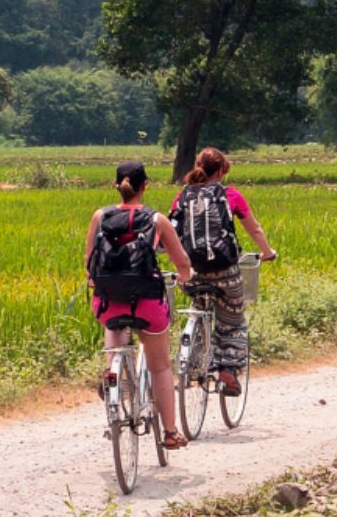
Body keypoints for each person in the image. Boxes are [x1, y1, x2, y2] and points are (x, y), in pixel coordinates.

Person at [85, 161, 194, 449]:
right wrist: (187, 277)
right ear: (145, 185)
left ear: (116, 185)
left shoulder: (99, 216)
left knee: (114, 327)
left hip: (108, 303)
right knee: (159, 366)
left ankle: (113, 376)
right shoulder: (157, 220)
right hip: (146, 302)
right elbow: (181, 262)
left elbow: (89, 266)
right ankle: (170, 432)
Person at [169, 148, 277, 397]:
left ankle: (192, 360)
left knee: (198, 305)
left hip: (192, 274)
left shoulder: (182, 196)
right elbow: (254, 229)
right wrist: (268, 252)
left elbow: (171, 231)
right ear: (220, 171)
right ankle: (227, 371)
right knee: (233, 320)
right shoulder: (231, 195)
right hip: (225, 273)